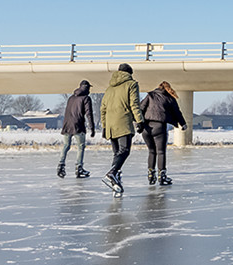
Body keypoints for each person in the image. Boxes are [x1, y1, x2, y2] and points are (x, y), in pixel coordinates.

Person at [100, 64, 144, 195]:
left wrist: (104, 126)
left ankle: (115, 182)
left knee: (117, 154)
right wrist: (139, 120)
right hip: (123, 122)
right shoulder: (131, 84)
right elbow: (134, 104)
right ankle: (112, 173)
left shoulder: (109, 88)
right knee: (124, 150)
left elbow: (103, 109)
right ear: (129, 73)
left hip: (110, 125)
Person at [139, 80, 187, 185]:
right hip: (159, 127)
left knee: (151, 151)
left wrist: (138, 123)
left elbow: (140, 108)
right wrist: (183, 124)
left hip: (146, 128)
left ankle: (151, 174)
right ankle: (162, 176)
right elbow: (177, 112)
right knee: (161, 152)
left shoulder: (150, 95)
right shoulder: (169, 98)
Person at [56, 80, 96, 178]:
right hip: (78, 125)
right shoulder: (86, 98)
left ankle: (60, 165)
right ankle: (79, 168)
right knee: (81, 146)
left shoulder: (71, 98)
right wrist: (92, 127)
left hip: (67, 125)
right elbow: (89, 113)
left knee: (66, 145)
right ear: (87, 88)